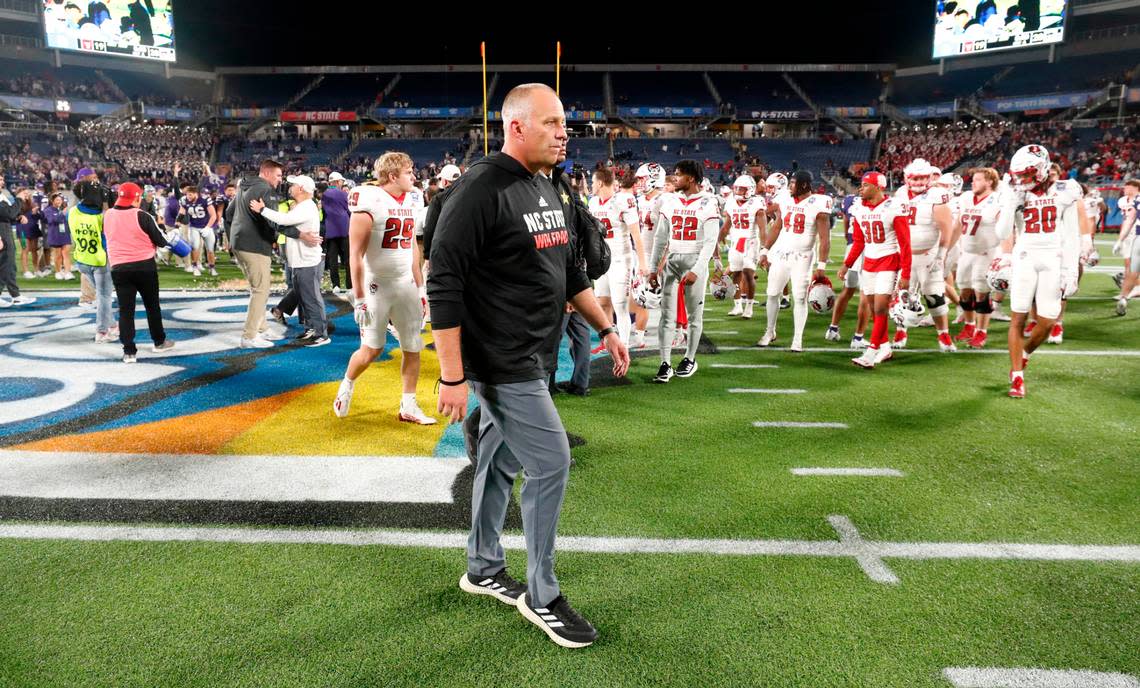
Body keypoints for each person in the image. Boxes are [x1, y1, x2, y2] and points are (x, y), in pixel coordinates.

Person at [429, 83, 629, 649]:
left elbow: (568, 277)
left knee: (498, 463)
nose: (564, 132)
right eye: (552, 122)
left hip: (537, 352)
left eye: (564, 122)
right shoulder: (480, 189)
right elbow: (443, 284)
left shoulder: (546, 186)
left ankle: (482, 566)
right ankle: (542, 595)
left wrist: (606, 328)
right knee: (551, 461)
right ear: (516, 127)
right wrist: (451, 374)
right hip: (502, 359)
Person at [333, 153, 433, 422]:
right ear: (392, 176)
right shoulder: (368, 199)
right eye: (409, 171)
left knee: (413, 345)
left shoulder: (413, 198)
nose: (414, 176)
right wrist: (360, 297)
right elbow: (355, 254)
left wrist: (420, 288)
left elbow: (412, 244)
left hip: (405, 283)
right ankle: (347, 384)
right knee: (372, 349)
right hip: (376, 284)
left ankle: (408, 406)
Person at [998, 144, 1086, 398]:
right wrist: (1008, 202)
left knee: (1047, 322)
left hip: (1053, 257)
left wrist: (1070, 271)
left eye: (1026, 174)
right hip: (1025, 257)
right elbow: (1002, 233)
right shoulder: (1015, 192)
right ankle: (1016, 376)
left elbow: (1071, 235)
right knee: (1018, 319)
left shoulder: (1065, 190)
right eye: (1019, 174)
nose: (1021, 179)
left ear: (1042, 169)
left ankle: (1024, 354)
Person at [225, 158, 321, 349]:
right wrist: (300, 235)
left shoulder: (244, 187)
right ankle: (249, 336)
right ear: (267, 173)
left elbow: (228, 214)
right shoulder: (265, 190)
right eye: (278, 175)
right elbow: (276, 223)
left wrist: (232, 239)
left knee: (257, 289)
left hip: (240, 244)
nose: (280, 180)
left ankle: (261, 328)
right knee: (261, 291)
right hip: (254, 245)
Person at [648, 159, 720, 382]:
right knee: (666, 315)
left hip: (694, 260)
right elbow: (660, 237)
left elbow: (710, 241)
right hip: (672, 261)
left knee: (694, 316)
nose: (674, 178)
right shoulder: (669, 201)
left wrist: (698, 269)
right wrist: (652, 269)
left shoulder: (708, 202)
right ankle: (665, 363)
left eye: (678, 174)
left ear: (690, 178)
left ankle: (690, 357)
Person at [840, 171, 912, 369]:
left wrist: (906, 273)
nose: (860, 188)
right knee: (874, 309)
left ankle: (871, 351)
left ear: (878, 187)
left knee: (881, 307)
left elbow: (905, 244)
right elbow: (858, 241)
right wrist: (847, 264)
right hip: (869, 263)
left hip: (889, 260)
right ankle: (886, 347)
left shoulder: (893, 207)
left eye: (865, 185)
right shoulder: (859, 209)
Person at [756, 170, 831, 352]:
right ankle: (770, 332)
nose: (790, 186)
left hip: (803, 257)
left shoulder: (819, 203)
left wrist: (821, 265)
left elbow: (824, 238)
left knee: (799, 297)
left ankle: (797, 339)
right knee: (773, 293)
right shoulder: (786, 201)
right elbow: (777, 227)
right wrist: (765, 250)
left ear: (804, 185)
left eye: (793, 183)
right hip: (782, 253)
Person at [250, 175, 329, 347]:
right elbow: (286, 226)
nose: (290, 187)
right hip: (301, 260)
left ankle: (321, 333)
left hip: (306, 260)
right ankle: (311, 328)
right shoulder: (304, 206)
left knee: (311, 298)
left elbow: (284, 221)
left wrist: (262, 210)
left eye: (293, 185)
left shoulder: (306, 206)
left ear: (301, 188)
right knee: (303, 296)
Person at [102, 182, 174, 364]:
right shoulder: (142, 215)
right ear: (137, 197)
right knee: (152, 306)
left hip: (119, 268)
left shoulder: (108, 215)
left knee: (126, 311)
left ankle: (129, 351)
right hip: (144, 267)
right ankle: (159, 341)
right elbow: (162, 241)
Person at [69, 182, 116, 342]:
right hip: (99, 261)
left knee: (103, 297)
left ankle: (112, 325)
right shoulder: (101, 216)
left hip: (82, 260)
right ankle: (102, 331)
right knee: (104, 296)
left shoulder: (72, 212)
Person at [721, 174, 766, 320]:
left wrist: (764, 249)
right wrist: (717, 241)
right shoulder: (731, 203)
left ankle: (749, 306)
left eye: (742, 189)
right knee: (736, 274)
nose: (738, 192)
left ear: (750, 190)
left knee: (748, 272)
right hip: (736, 241)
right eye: (737, 188)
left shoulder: (757, 203)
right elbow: (726, 226)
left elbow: (763, 229)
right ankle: (737, 304)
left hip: (751, 241)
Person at [0, 179, 34, 307]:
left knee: (5, 265)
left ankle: (15, 295)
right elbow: (9, 213)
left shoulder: (1, 195)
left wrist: (18, 217)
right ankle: (16, 296)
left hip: (5, 230)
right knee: (8, 265)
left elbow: (7, 214)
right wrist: (19, 199)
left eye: (2, 179)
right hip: (2, 233)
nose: (2, 182)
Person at [323, 172, 352, 293]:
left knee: (333, 260)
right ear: (338, 182)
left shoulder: (324, 194)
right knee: (348, 259)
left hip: (330, 230)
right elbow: (349, 209)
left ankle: (336, 285)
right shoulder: (343, 194)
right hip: (344, 229)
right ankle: (350, 285)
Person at [43, 192, 73, 280]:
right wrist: (61, 214)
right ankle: (58, 271)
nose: (59, 201)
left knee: (66, 253)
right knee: (58, 255)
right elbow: (51, 221)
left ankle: (68, 272)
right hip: (55, 234)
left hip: (65, 234)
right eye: (57, 200)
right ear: (52, 201)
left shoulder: (64, 209)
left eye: (60, 199)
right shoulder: (48, 210)